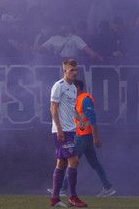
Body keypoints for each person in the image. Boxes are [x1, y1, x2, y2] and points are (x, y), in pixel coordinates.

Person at [50, 58, 88, 208]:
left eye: (75, 70)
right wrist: (59, 129)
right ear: (64, 71)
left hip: (70, 130)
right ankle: (73, 197)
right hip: (62, 131)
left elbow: (71, 108)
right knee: (74, 160)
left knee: (62, 162)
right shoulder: (58, 86)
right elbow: (53, 108)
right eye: (71, 70)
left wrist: (80, 119)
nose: (74, 72)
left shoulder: (73, 88)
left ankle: (54, 199)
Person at [73, 79, 116, 197]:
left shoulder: (85, 99)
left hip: (83, 137)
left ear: (77, 88)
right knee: (94, 164)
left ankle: (61, 189)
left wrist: (95, 137)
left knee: (72, 161)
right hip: (83, 136)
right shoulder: (78, 100)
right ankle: (108, 187)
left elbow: (92, 118)